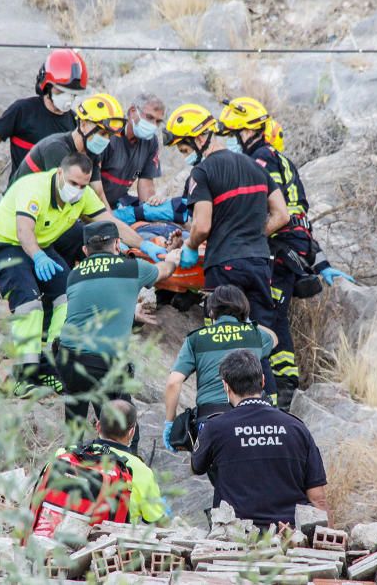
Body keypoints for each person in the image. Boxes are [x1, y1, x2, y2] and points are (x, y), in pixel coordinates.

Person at [217, 98, 355, 410]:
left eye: (232, 132)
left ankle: (276, 391)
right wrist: (320, 262)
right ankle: (285, 382)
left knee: (265, 317)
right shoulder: (281, 159)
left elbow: (267, 208)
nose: (229, 139)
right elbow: (300, 214)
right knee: (276, 316)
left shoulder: (261, 159)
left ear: (248, 132)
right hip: (292, 248)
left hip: (278, 248)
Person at [0, 153, 163, 391]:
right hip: (7, 243)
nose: (77, 190)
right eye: (73, 183)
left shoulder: (82, 195)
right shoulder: (34, 188)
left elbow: (110, 223)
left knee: (67, 298)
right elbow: (23, 230)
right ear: (60, 173)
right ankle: (26, 376)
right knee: (30, 304)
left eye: (82, 185)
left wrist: (144, 245)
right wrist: (38, 257)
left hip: (43, 245)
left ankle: (55, 367)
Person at [164, 103, 289, 399]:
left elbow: (202, 225)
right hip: (259, 262)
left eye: (183, 150)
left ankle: (223, 410)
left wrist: (191, 248)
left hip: (224, 265)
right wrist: (253, 236)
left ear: (197, 139)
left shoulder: (203, 172)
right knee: (258, 343)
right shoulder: (254, 167)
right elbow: (282, 214)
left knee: (224, 343)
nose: (185, 157)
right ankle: (269, 408)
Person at [59, 220, 181, 453]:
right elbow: (164, 272)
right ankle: (123, 474)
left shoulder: (74, 274)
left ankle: (71, 471)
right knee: (121, 431)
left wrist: (131, 314)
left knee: (74, 431)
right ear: (117, 243)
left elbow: (96, 304)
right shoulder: (131, 267)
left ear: (85, 250)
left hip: (69, 358)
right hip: (104, 361)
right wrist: (173, 258)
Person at [14, 93, 166, 267]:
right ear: (84, 124)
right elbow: (79, 208)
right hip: (23, 221)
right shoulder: (56, 149)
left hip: (49, 222)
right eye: (102, 133)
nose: (106, 140)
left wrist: (136, 243)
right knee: (89, 238)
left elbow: (99, 200)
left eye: (109, 135)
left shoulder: (90, 156)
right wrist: (112, 237)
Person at [191, 349, 329, 530]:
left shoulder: (215, 428)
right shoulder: (296, 428)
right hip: (288, 537)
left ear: (226, 386)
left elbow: (196, 467)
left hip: (237, 537)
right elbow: (318, 497)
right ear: (263, 381)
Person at [0, 48, 87, 211]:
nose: (67, 99)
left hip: (52, 206)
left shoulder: (73, 122)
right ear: (47, 86)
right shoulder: (22, 111)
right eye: (61, 91)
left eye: (72, 94)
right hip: (17, 200)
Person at [162, 285, 278, 450]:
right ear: (244, 310)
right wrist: (248, 323)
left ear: (211, 311)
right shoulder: (255, 335)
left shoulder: (196, 339)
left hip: (210, 422)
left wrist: (169, 422)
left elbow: (174, 382)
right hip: (253, 419)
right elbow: (274, 338)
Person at [91, 400, 170, 525]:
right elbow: (156, 519)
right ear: (131, 432)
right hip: (110, 540)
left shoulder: (67, 453)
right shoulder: (139, 469)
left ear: (98, 426)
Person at [99, 93, 166, 206]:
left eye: (158, 122)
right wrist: (107, 215)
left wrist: (152, 205)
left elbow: (146, 182)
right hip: (94, 201)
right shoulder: (109, 134)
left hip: (118, 202)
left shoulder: (151, 142)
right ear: (132, 112)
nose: (154, 125)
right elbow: (91, 182)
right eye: (149, 117)